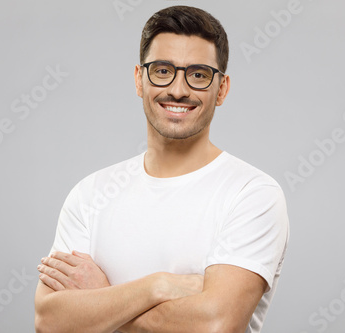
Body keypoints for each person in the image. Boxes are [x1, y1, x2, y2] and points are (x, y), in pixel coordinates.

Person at [34, 5, 289, 333]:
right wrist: (158, 286)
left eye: (198, 74)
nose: (178, 89)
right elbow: (50, 320)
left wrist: (100, 301)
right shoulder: (90, 195)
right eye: (162, 70)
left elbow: (216, 324)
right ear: (139, 80)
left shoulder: (252, 194)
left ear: (221, 88)